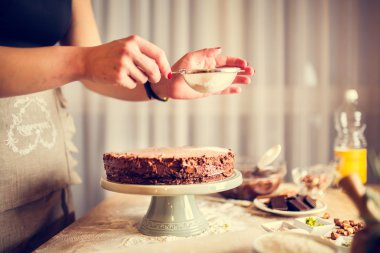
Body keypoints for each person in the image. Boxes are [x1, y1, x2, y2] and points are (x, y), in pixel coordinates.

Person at [0, 0, 254, 252]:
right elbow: (86, 61)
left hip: (47, 172)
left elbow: (96, 74)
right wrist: (84, 60)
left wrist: (162, 85)